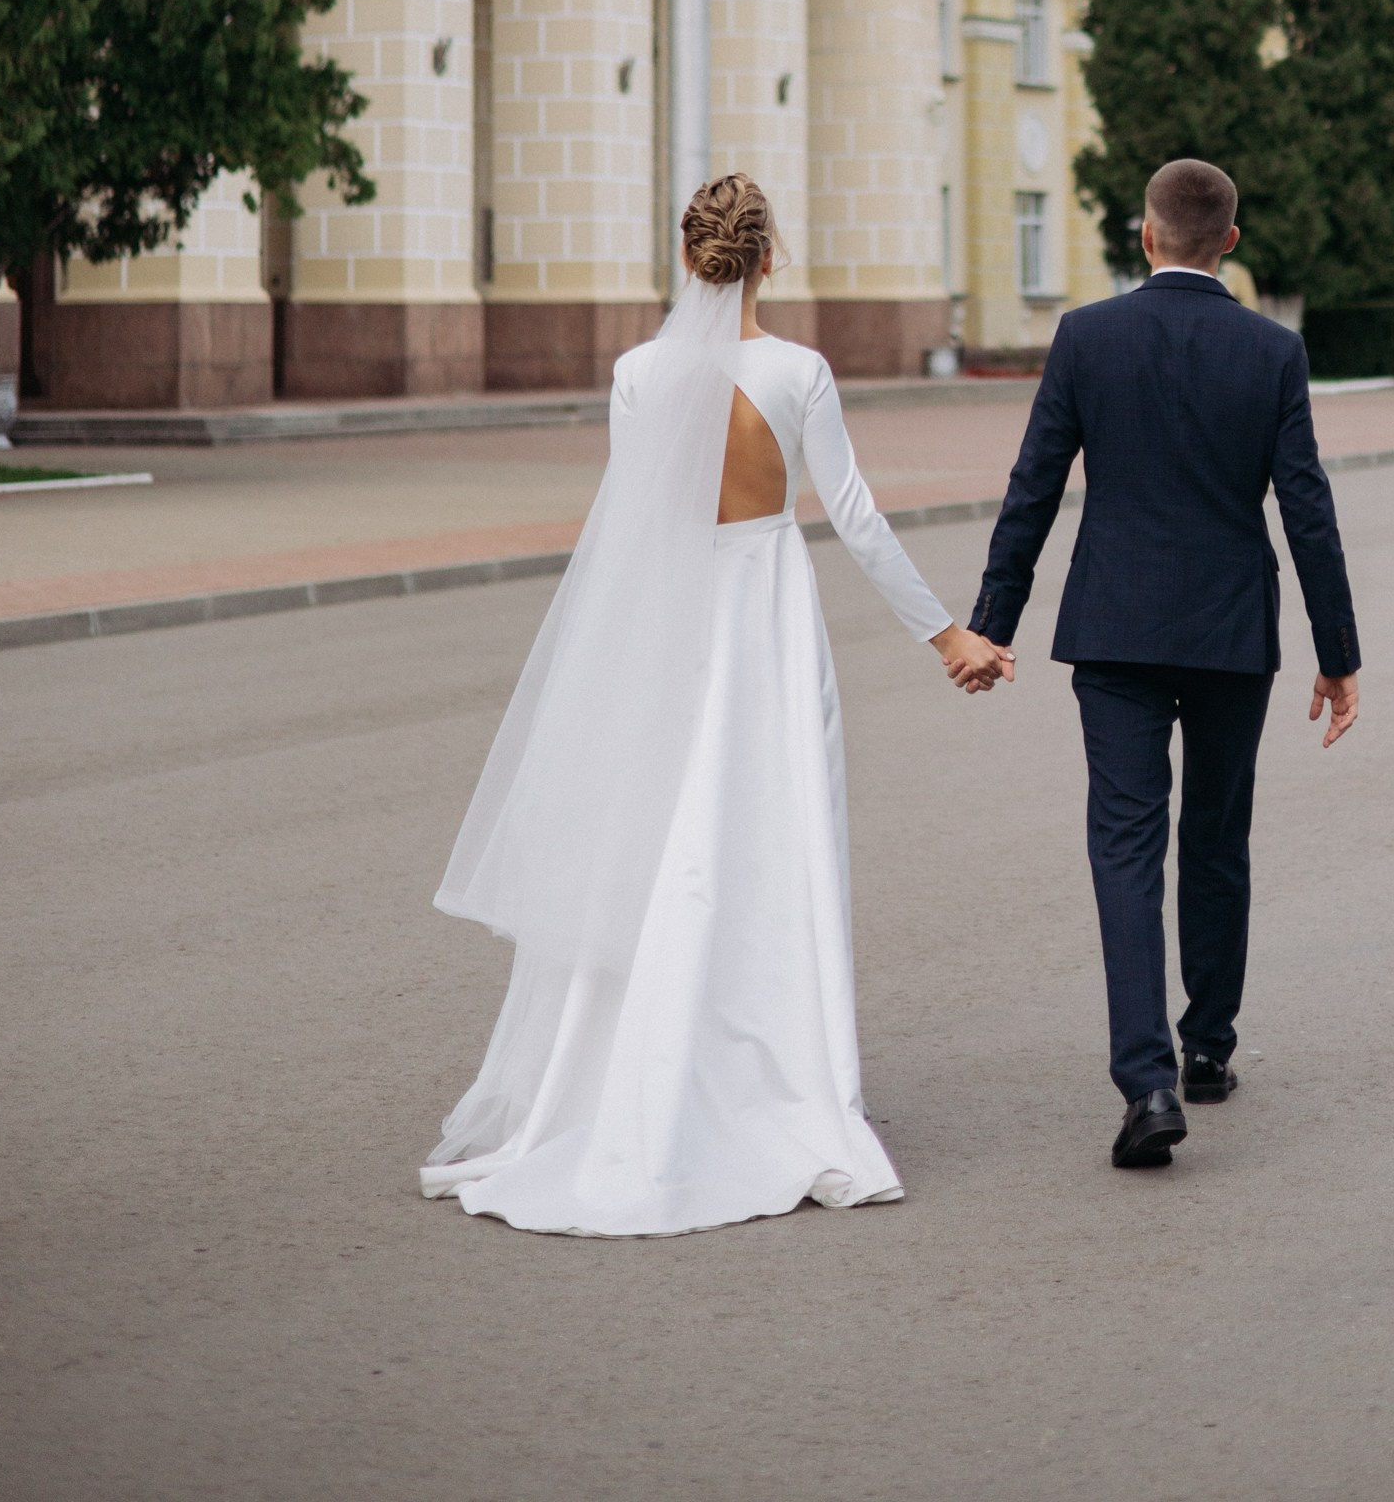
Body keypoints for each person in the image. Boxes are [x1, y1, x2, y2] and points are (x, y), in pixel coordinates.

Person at [422, 173, 1009, 1237]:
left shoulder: (638, 374)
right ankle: (779, 1078)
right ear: (767, 259)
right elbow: (857, 521)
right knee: (769, 838)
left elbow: (634, 520)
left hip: (669, 621)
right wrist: (946, 635)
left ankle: (634, 1079)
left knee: (662, 839)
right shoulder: (798, 372)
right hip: (765, 620)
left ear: (686, 259)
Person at [968, 156, 1360, 1169]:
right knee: (1217, 835)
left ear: (1144, 237)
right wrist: (1337, 653)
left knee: (1125, 848)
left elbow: (1032, 488)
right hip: (1233, 632)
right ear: (1227, 241)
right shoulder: (1271, 350)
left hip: (1115, 629)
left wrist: (990, 623)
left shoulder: (1086, 337)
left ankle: (1143, 1085)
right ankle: (1207, 1047)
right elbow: (1304, 507)